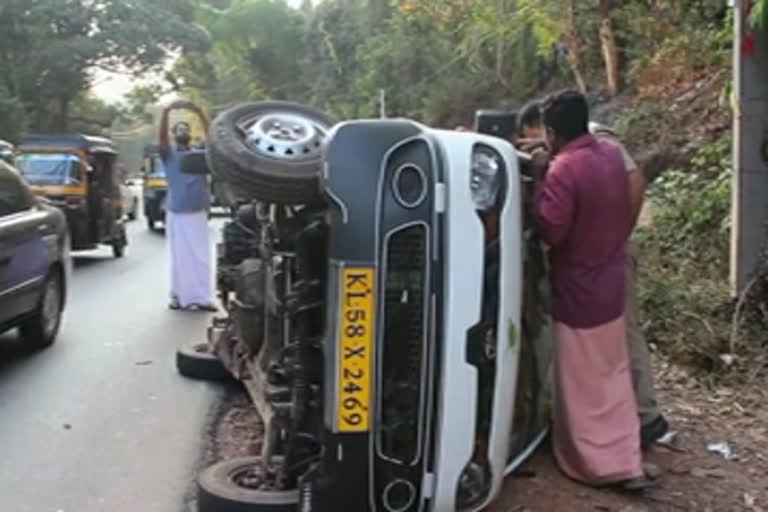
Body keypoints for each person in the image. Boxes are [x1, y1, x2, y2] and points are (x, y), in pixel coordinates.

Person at [516, 99, 669, 450]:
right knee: (603, 346)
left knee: (620, 337)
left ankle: (644, 418)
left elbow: (635, 181)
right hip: (602, 253)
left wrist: (615, 237)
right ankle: (618, 421)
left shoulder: (600, 145)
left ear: (547, 131)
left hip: (605, 254)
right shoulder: (585, 148)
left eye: (534, 137)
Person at [532, 90, 648, 489]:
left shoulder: (565, 167)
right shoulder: (610, 155)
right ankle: (627, 458)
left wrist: (538, 184)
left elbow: (552, 228)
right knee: (612, 378)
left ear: (551, 131)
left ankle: (596, 464)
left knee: (581, 385)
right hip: (610, 281)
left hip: (577, 287)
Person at [158, 100, 215, 312]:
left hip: (197, 210)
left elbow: (213, 138)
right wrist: (166, 111)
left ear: (190, 134)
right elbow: (161, 137)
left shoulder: (200, 152)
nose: (183, 131)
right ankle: (179, 296)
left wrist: (200, 111)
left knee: (200, 256)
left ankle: (202, 298)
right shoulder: (169, 154)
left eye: (186, 128)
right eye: (178, 129)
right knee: (180, 256)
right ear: (173, 134)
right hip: (177, 211)